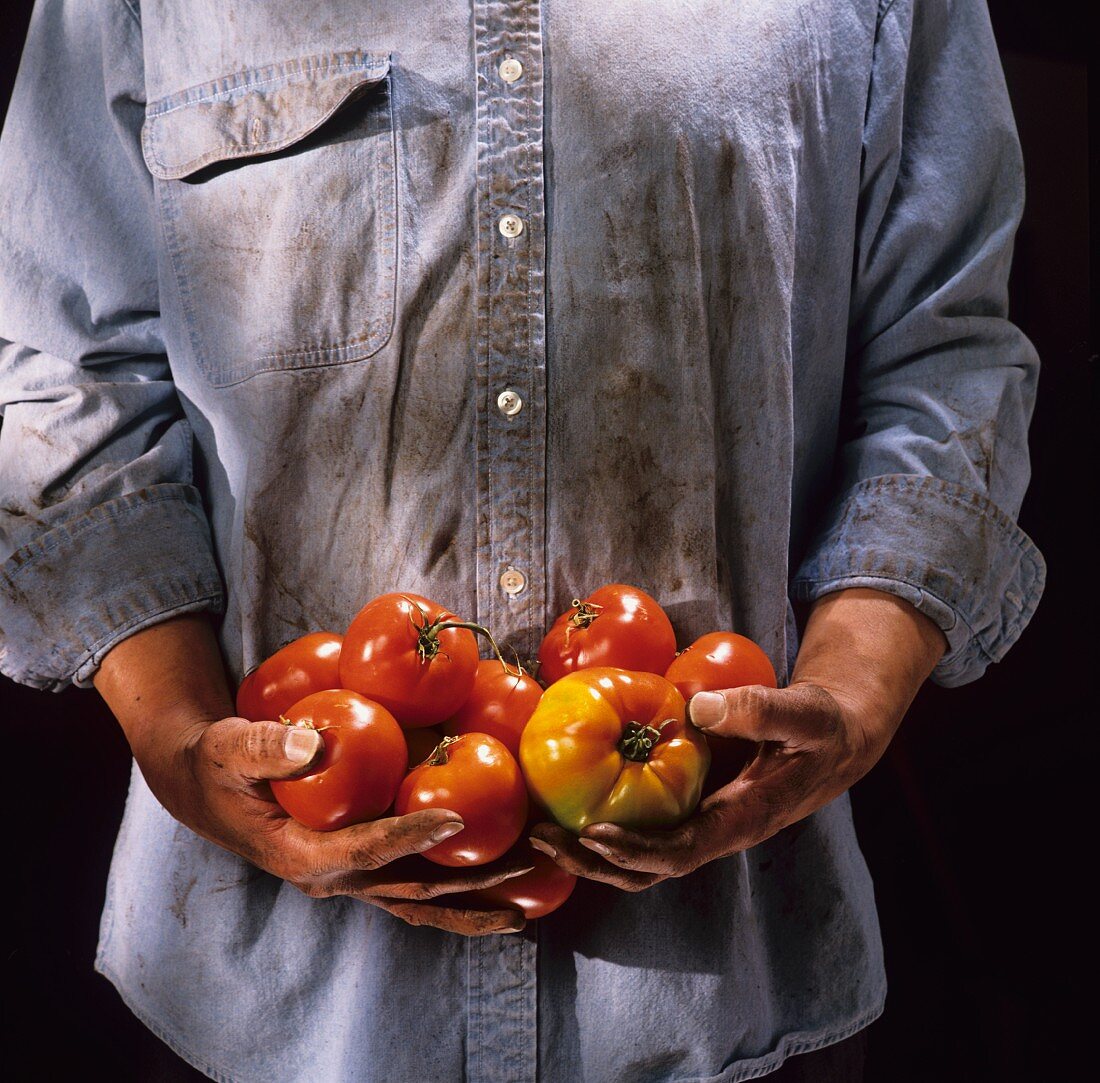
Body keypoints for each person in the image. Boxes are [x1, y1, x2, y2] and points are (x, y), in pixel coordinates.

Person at [0, 0, 1044, 1080]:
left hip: (729, 982)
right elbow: (65, 377)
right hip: (269, 1006)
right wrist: (176, 736)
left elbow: (944, 352)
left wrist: (858, 688)